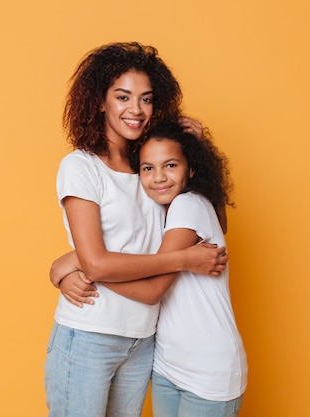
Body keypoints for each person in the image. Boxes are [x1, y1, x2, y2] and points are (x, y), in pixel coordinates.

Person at [44, 42, 228, 417]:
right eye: (123, 96)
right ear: (100, 101)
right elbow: (97, 262)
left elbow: (209, 225)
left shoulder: (152, 167)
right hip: (90, 334)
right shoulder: (81, 167)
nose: (136, 109)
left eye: (145, 99)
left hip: (143, 339)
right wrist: (184, 259)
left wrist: (199, 151)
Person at [55, 121, 248, 417]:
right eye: (147, 168)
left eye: (170, 165)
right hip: (168, 365)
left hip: (208, 371)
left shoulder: (187, 205)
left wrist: (85, 264)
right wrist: (83, 262)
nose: (159, 177)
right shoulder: (164, 208)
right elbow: (218, 224)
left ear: (191, 168)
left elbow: (152, 291)